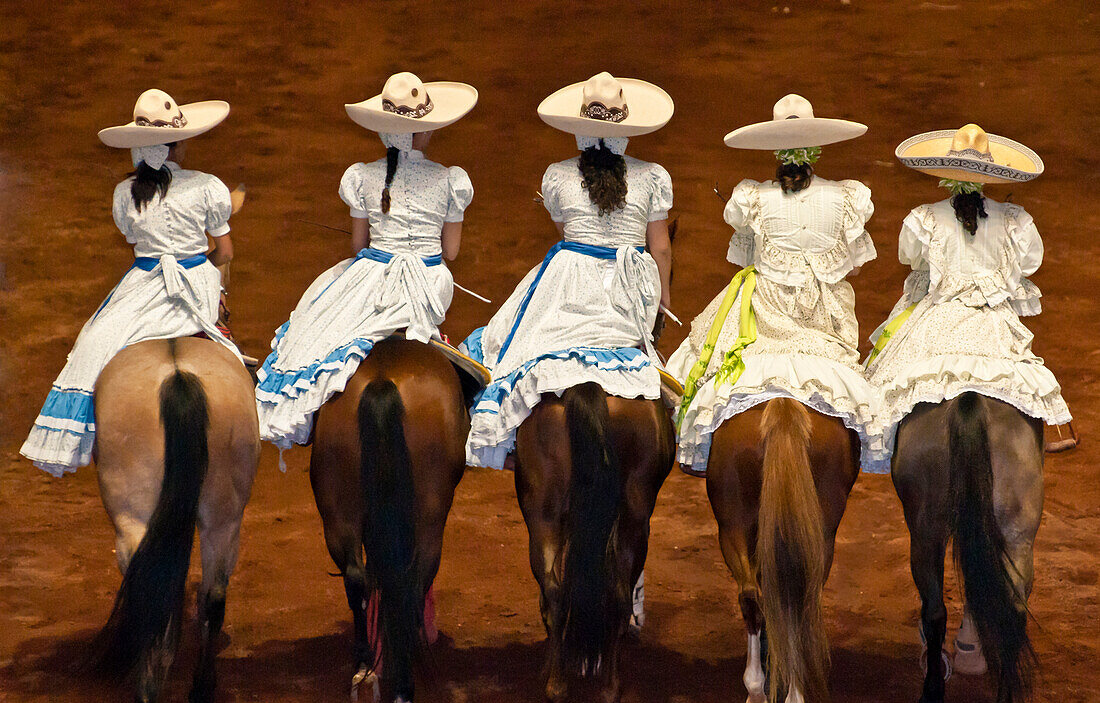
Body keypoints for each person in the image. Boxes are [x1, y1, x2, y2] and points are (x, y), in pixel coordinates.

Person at [20, 89, 242, 476]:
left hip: (144, 281)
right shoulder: (208, 186)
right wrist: (205, 263)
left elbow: (136, 242)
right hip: (196, 281)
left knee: (94, 340)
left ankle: (70, 436)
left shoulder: (125, 193)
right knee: (225, 347)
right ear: (178, 145)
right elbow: (224, 252)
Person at [254, 72, 477, 451]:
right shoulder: (450, 180)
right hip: (428, 284)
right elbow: (451, 253)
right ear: (424, 131)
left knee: (317, 330)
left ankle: (306, 416)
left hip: (373, 277)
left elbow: (359, 244)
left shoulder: (362, 176)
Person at [464, 71, 675, 470]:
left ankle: (507, 443)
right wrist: (662, 298)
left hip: (569, 276)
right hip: (627, 285)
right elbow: (661, 247)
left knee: (508, 353)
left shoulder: (558, 175)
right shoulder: (652, 176)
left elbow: (565, 233)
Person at [669, 94, 878, 473]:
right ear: (814, 147)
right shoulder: (847, 197)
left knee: (693, 362)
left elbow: (747, 258)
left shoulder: (751, 197)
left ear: (775, 151)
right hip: (821, 318)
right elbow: (854, 268)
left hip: (764, 311)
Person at [863, 123, 1071, 469]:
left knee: (885, 379)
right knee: (1024, 375)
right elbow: (1031, 264)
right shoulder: (1014, 220)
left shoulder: (925, 217)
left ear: (946, 173)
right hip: (990, 321)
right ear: (988, 175)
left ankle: (880, 440)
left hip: (938, 318)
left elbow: (910, 260)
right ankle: (1054, 428)